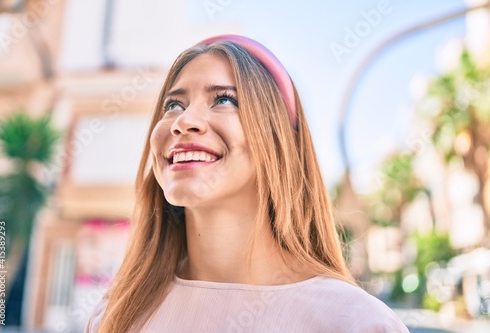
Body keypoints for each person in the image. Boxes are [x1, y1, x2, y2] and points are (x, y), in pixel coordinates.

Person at [85, 35, 409, 333]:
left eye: (224, 100)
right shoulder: (115, 316)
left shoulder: (356, 322)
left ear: (277, 137)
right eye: (173, 105)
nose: (184, 121)